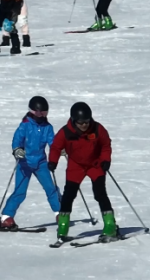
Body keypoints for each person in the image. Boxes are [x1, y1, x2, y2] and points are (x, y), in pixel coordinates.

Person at [49, 101, 118, 243]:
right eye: (81, 122)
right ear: (74, 120)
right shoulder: (66, 132)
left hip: (95, 164)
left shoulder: (98, 129)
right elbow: (56, 147)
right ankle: (63, 226)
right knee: (69, 195)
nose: (84, 125)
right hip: (76, 165)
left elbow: (106, 144)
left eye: (86, 121)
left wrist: (106, 159)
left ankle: (110, 225)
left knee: (100, 193)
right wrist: (53, 161)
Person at [0, 96, 61, 230]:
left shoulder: (47, 127)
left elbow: (53, 143)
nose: (41, 115)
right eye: (38, 112)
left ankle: (60, 213)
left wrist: (60, 150)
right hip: (24, 163)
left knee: (51, 188)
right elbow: (17, 140)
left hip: (41, 163)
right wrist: (17, 150)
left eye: (44, 112)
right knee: (20, 191)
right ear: (32, 111)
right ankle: (6, 217)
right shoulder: (25, 125)